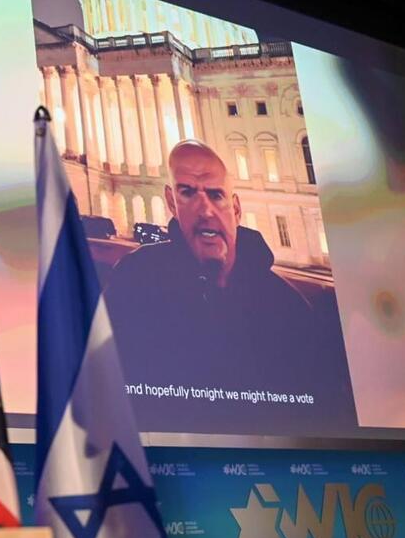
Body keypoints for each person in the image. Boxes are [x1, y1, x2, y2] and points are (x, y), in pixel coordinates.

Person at [105, 140, 356, 433]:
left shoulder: (288, 306)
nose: (205, 210)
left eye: (216, 195)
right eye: (188, 193)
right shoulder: (135, 280)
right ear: (171, 202)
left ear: (235, 208)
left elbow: (326, 415)